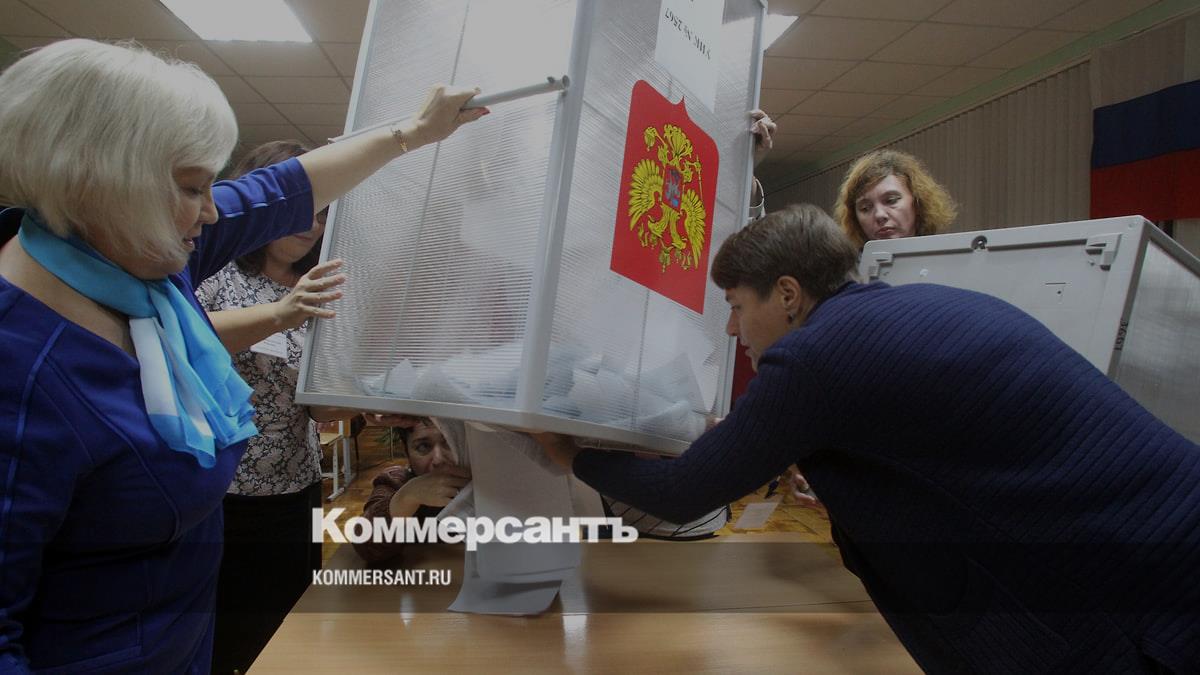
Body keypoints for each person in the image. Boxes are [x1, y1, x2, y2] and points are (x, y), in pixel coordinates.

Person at [533, 203, 1200, 672]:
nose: (732, 329)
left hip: (1137, 592)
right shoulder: (914, 305)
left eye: (736, 306)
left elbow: (683, 493)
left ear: (787, 294)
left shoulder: (813, 358)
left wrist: (573, 453)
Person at [0, 38, 485, 673]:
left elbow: (280, 189)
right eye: (191, 188)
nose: (211, 211)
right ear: (98, 182)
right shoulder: (22, 368)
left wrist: (412, 134)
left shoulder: (134, 253)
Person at [194, 140, 348, 673]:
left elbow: (318, 407)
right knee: (223, 631)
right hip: (221, 491)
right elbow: (185, 338)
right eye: (301, 208)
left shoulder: (319, 286)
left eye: (322, 213)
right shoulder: (215, 270)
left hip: (296, 485)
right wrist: (282, 312)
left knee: (287, 625)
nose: (311, 224)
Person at [352, 418, 472, 565]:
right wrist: (407, 498)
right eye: (423, 446)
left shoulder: (483, 483)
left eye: (449, 443)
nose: (438, 459)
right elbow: (367, 548)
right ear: (407, 453)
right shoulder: (395, 482)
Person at [834, 149, 956, 249]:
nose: (879, 215)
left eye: (891, 200)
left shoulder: (950, 258)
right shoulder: (849, 270)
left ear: (917, 203)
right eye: (865, 208)